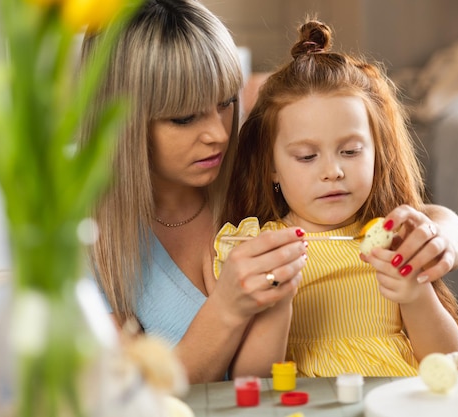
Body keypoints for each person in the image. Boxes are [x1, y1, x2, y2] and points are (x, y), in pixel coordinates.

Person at [214, 18, 458, 377]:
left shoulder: (393, 240)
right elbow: (250, 378)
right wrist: (276, 308)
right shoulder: (257, 250)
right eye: (307, 157)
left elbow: (446, 363)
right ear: (271, 167)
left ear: (376, 153)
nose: (332, 171)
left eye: (351, 151)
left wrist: (415, 295)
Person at [79, 0, 308, 383]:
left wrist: (443, 230)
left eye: (226, 103)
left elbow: (377, 203)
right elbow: (133, 396)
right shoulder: (87, 242)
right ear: (119, 123)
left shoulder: (259, 173)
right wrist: (228, 308)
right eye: (184, 118)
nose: (219, 134)